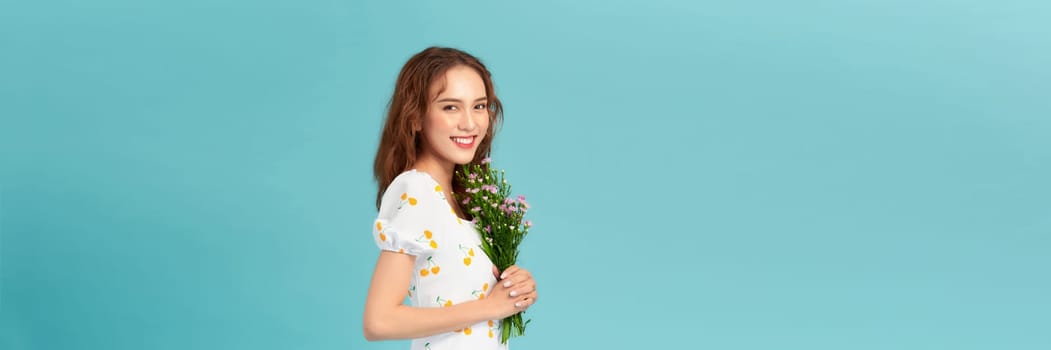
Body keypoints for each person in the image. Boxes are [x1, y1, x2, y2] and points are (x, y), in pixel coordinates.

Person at [363, 47, 538, 349]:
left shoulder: (466, 197)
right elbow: (379, 322)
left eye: (479, 106)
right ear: (415, 117)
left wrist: (513, 287)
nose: (470, 124)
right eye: (450, 107)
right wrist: (490, 307)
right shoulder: (416, 190)